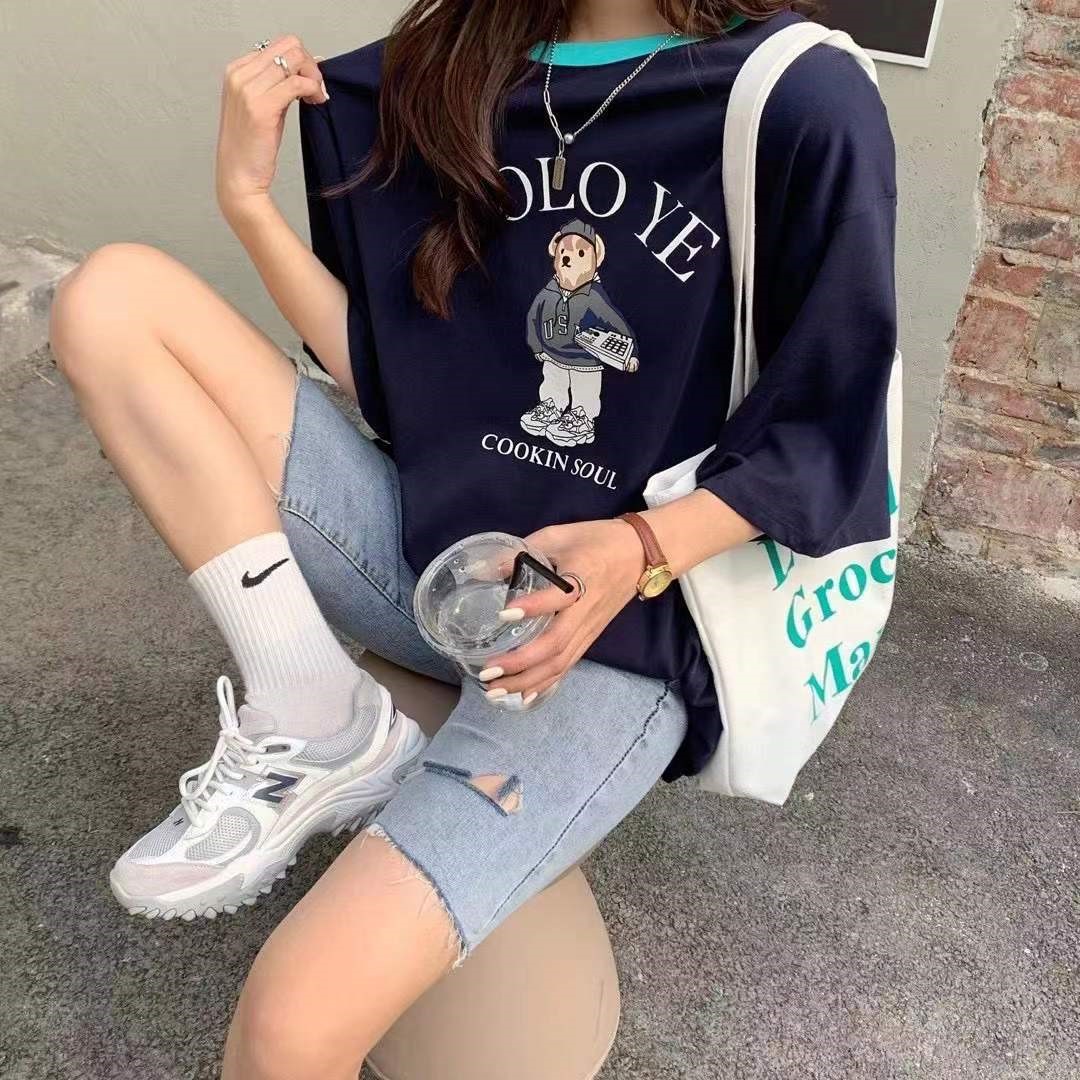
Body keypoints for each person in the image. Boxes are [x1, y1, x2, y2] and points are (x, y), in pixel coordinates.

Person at [48, 0, 897, 1075]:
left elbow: (828, 430)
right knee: (113, 296)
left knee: (289, 1024)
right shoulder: (451, 61)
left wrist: (638, 549)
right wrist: (246, 203)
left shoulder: (798, 97)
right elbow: (403, 383)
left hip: (609, 634)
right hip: (425, 558)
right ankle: (310, 704)